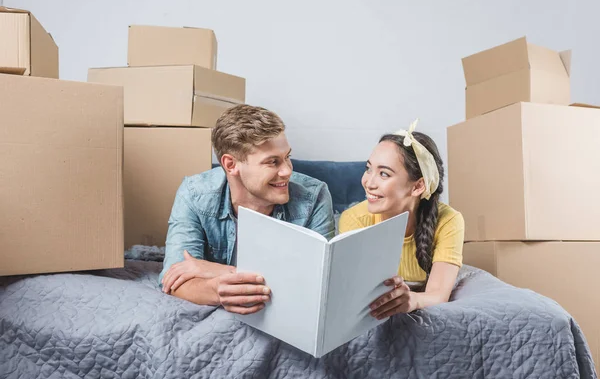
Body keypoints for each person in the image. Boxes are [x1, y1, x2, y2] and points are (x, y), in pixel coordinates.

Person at [159, 104, 335, 314]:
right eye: (273, 162)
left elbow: (321, 283)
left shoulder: (314, 196)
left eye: (287, 157)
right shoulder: (195, 194)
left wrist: (216, 271)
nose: (287, 170)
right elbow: (173, 279)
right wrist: (216, 291)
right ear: (231, 165)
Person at [339, 119, 464, 319]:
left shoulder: (449, 221)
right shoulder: (354, 219)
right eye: (368, 168)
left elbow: (438, 294)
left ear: (417, 186)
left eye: (384, 174)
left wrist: (412, 300)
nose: (368, 182)